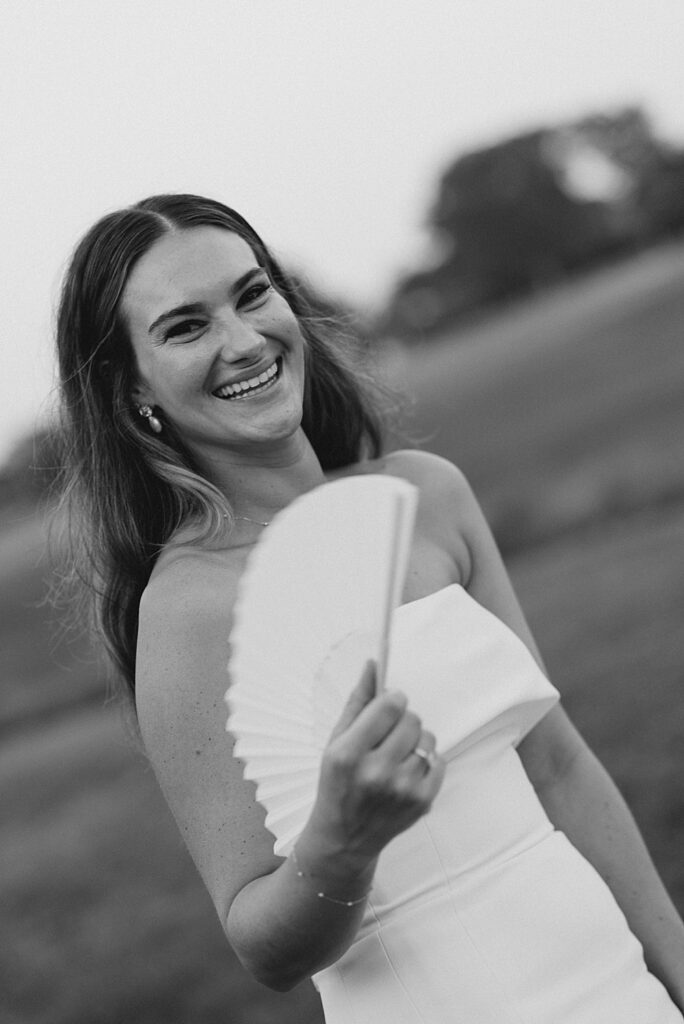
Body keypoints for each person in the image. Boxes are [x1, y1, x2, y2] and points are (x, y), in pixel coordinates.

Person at [55, 192, 684, 1023]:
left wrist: (673, 966)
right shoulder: (192, 611)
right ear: (131, 389)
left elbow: (558, 764)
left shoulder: (430, 497)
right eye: (185, 326)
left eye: (252, 294)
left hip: (618, 989)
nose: (243, 341)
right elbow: (262, 944)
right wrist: (342, 839)